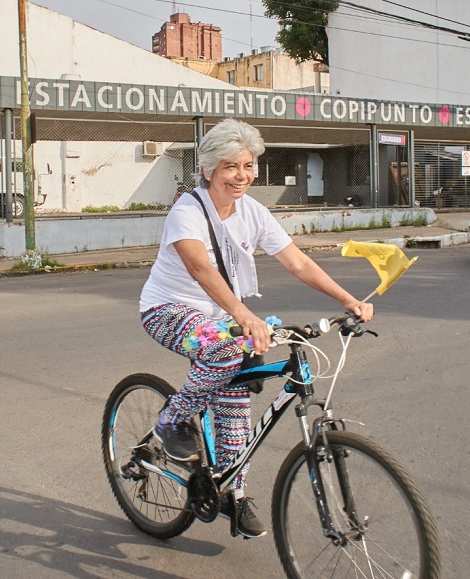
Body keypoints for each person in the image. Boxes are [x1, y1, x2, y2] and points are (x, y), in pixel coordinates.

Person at [138, 118, 374, 538]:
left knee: (237, 406)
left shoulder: (253, 211)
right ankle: (171, 422)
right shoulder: (187, 210)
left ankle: (233, 494)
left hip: (223, 320)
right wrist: (242, 316)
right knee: (228, 351)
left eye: (248, 165)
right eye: (231, 166)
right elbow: (199, 267)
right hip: (169, 309)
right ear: (209, 169)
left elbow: (297, 261)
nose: (241, 175)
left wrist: (346, 299)